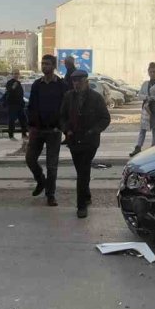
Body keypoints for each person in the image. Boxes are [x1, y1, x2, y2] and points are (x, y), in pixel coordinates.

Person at [61, 70, 111, 218]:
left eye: (80, 82)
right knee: (81, 171)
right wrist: (66, 129)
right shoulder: (68, 97)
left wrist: (94, 130)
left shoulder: (96, 98)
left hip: (90, 141)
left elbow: (105, 118)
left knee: (83, 171)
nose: (77, 84)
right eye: (74, 82)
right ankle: (86, 195)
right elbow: (62, 116)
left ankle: (81, 205)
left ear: (86, 82)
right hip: (74, 140)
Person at [26, 54, 71, 206]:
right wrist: (31, 125)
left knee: (52, 166)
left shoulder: (61, 85)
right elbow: (31, 106)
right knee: (30, 159)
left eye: (47, 64)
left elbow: (65, 108)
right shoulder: (37, 84)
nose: (44, 66)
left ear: (54, 66)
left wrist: (62, 127)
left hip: (54, 131)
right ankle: (41, 180)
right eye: (42, 64)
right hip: (37, 130)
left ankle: (50, 195)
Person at [131, 62, 155, 156]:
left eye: (154, 71)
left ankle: (154, 147)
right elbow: (139, 95)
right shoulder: (145, 84)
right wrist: (147, 97)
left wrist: (154, 98)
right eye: (151, 71)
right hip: (146, 109)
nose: (152, 73)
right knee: (143, 128)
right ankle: (138, 147)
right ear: (148, 72)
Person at [3, 70, 27, 141]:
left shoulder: (18, 83)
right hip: (12, 105)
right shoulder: (10, 82)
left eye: (17, 74)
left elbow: (20, 94)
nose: (16, 75)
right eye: (15, 74)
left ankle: (24, 135)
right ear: (12, 75)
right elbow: (9, 91)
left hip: (19, 105)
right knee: (12, 120)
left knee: (23, 120)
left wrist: (22, 102)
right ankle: (11, 136)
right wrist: (13, 86)